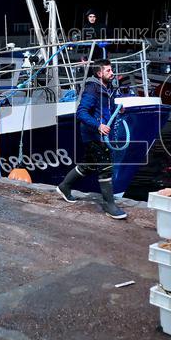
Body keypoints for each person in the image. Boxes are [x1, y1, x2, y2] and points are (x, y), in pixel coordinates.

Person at [55, 59, 126, 220]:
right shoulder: (92, 89)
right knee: (105, 166)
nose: (112, 72)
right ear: (99, 73)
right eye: (108, 70)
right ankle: (109, 205)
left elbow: (107, 107)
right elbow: (81, 112)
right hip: (93, 134)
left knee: (88, 165)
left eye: (111, 69)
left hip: (100, 134)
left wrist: (118, 109)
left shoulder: (108, 87)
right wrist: (98, 126)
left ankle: (64, 186)